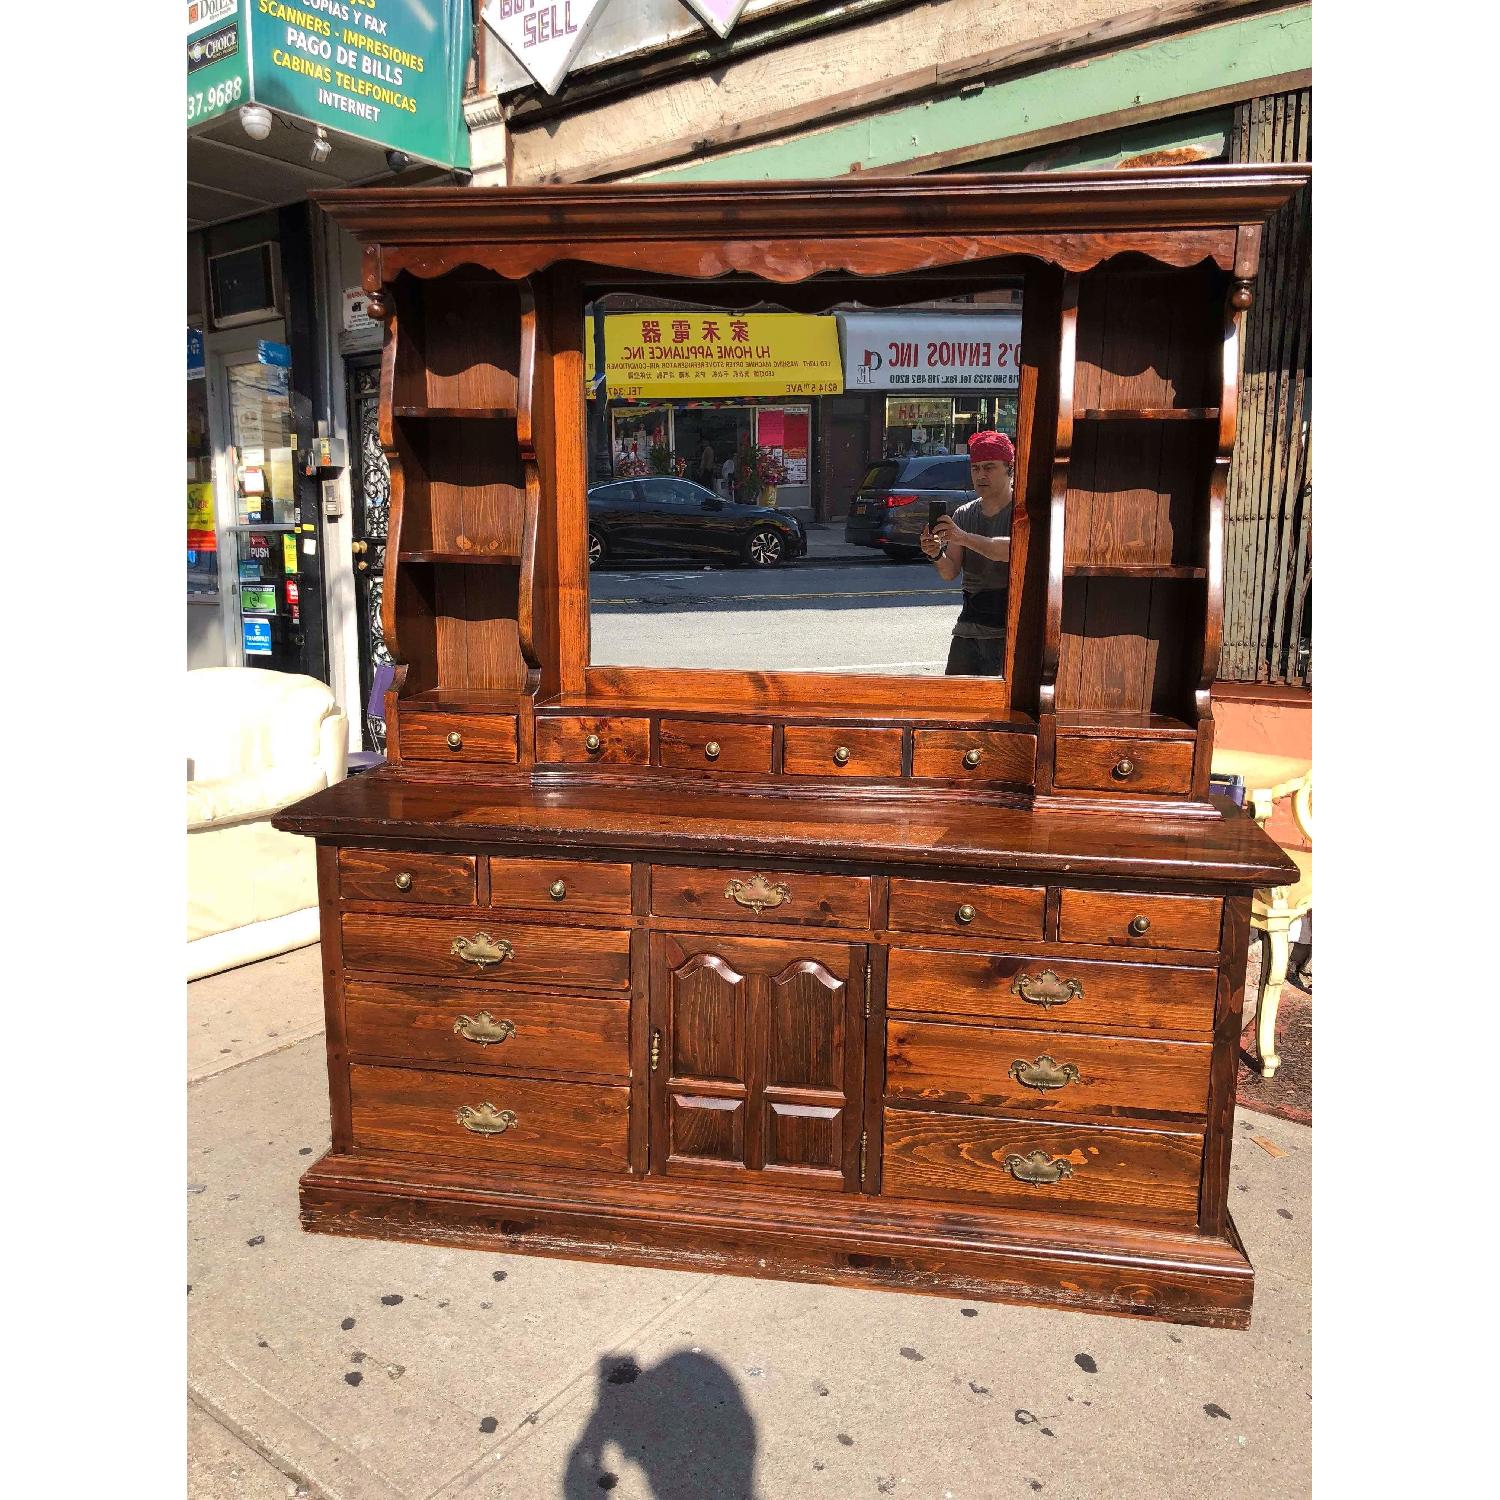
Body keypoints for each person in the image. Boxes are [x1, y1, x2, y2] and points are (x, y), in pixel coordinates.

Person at [920, 429, 1014, 676]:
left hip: (1009, 629)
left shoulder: (1022, 512)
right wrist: (935, 553)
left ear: (1009, 468)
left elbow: (1010, 550)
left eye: (989, 467)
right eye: (975, 468)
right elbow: (949, 572)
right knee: (955, 695)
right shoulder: (964, 514)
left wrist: (963, 537)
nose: (981, 475)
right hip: (969, 627)